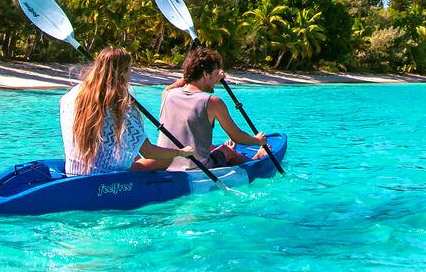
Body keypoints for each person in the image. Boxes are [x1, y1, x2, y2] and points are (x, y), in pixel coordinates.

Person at [59, 47, 193, 176]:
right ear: (122, 73)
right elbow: (148, 152)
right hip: (103, 175)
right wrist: (180, 152)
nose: (131, 73)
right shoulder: (119, 106)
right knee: (165, 158)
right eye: (130, 69)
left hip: (73, 170)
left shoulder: (73, 94)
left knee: (133, 154)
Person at [158, 46, 270, 172]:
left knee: (210, 147)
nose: (218, 79)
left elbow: (178, 84)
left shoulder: (167, 94)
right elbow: (237, 137)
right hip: (196, 168)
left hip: (163, 165)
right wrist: (257, 140)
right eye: (216, 74)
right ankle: (256, 158)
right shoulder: (213, 102)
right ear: (205, 74)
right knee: (227, 151)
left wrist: (199, 72)